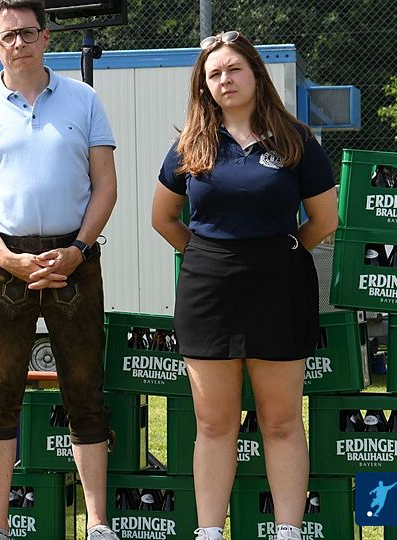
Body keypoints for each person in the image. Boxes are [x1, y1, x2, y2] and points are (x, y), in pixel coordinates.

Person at [150, 31, 338, 540]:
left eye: (234, 69)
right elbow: (163, 218)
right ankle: (209, 531)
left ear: (255, 73)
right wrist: (207, 256)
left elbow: (324, 220)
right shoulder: (190, 144)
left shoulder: (296, 139)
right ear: (203, 85)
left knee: (281, 422)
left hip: (280, 289)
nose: (225, 79)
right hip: (208, 294)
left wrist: (281, 252)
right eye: (214, 74)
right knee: (214, 424)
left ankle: (288, 531)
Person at [0, 1, 119, 539]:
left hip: (74, 261)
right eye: (8, 36)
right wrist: (6, 258)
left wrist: (79, 249)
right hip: (1, 266)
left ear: (46, 37)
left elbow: (106, 185)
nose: (18, 43)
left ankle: (98, 524)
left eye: (27, 32)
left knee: (85, 391)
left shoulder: (84, 99)